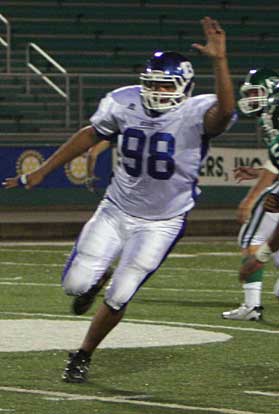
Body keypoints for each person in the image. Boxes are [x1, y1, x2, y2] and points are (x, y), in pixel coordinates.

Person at [3, 16, 235, 383]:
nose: (156, 92)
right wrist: (43, 171)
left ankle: (82, 354)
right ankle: (95, 281)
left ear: (184, 87)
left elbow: (223, 113)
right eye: (152, 84)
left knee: (120, 295)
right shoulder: (123, 101)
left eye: (165, 85)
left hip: (163, 221)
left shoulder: (198, 111)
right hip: (115, 210)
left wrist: (220, 62)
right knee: (75, 287)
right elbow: (89, 133)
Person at [222, 68, 279, 321]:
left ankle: (251, 306)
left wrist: (250, 198)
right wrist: (259, 171)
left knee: (251, 234)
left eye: (256, 93)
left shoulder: (275, 113)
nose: (251, 98)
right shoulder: (269, 114)